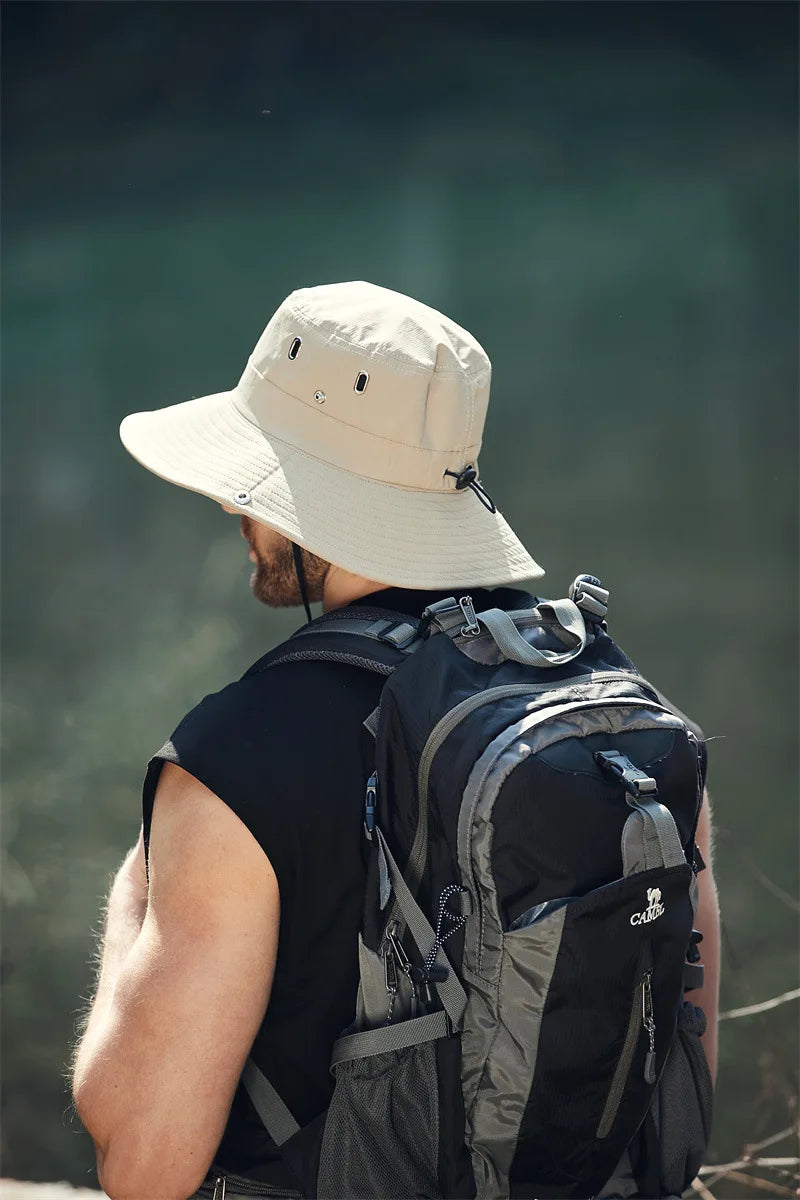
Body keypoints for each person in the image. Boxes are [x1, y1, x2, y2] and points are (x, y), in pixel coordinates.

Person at [71, 281, 720, 1200]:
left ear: (308, 494)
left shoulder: (236, 759)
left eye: (253, 481)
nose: (230, 510)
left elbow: (144, 1163)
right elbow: (683, 1066)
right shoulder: (617, 714)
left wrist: (138, 887)